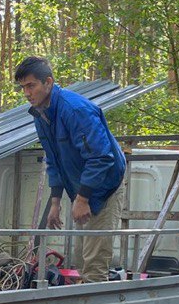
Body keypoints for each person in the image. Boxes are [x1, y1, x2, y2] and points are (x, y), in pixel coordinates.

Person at [14, 56, 126, 284]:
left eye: (31, 85)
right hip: (81, 188)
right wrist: (56, 203)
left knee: (94, 263)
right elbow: (54, 160)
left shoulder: (75, 110)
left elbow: (101, 157)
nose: (27, 93)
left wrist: (83, 198)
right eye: (23, 87)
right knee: (80, 259)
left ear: (48, 82)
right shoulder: (40, 114)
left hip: (104, 188)